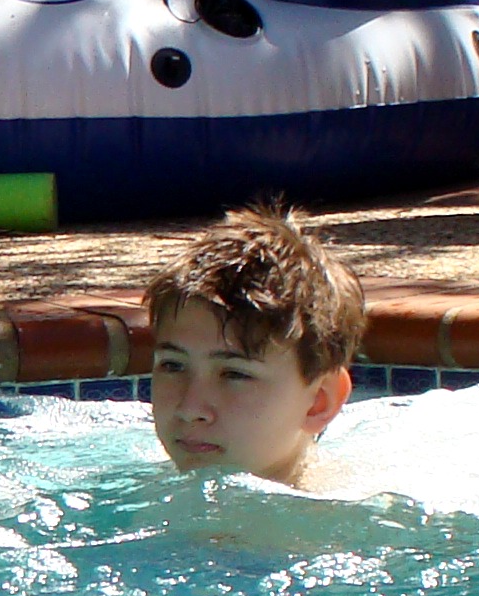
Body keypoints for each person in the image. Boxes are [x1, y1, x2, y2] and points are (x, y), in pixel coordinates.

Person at [143, 204, 366, 489]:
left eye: (235, 374)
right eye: (173, 365)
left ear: (319, 402)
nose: (190, 408)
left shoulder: (350, 511)